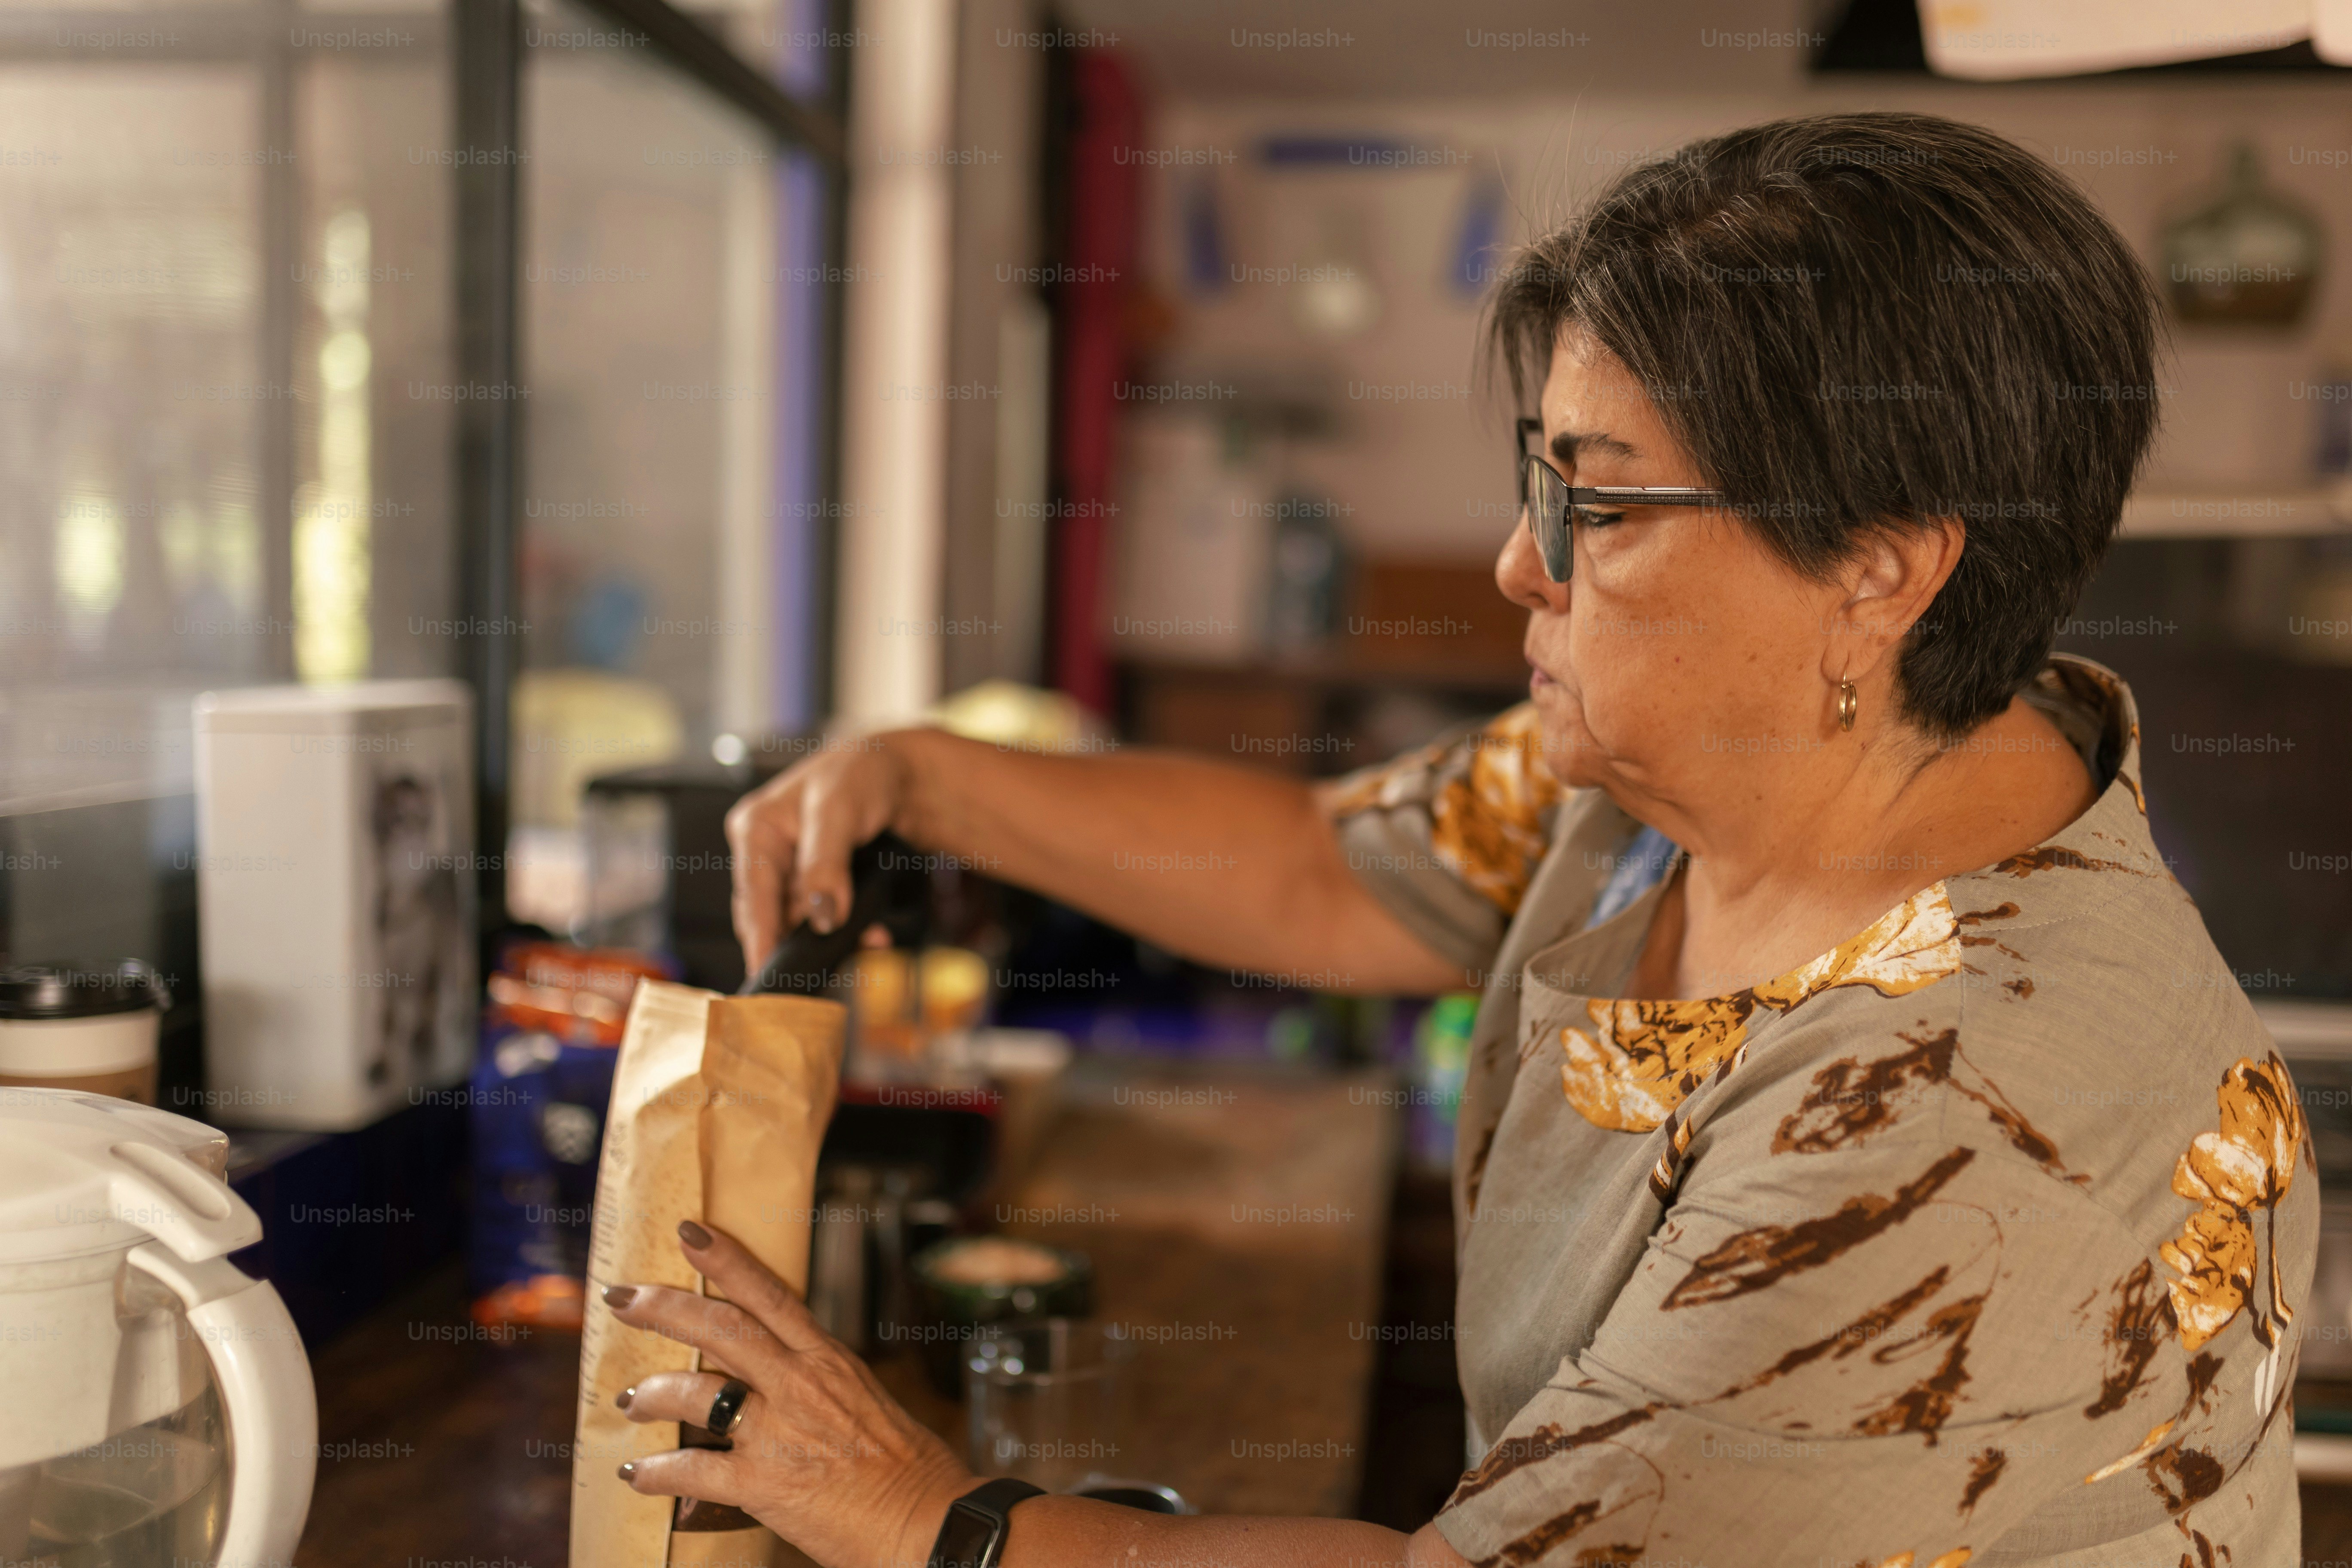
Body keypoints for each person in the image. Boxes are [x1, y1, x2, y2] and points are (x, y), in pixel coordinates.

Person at [604, 110, 2314, 1568]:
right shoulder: (1696, 765)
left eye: (1601, 502)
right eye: (1540, 473)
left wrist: (931, 1514)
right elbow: (1314, 864)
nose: (1521, 560)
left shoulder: (1975, 1117)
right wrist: (921, 777)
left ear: (1879, 571)